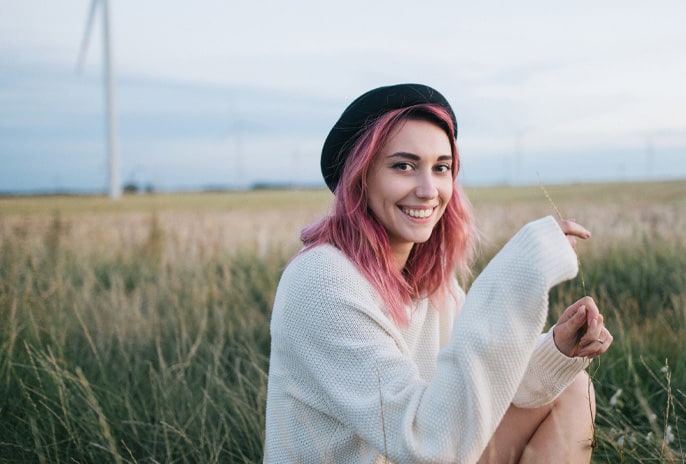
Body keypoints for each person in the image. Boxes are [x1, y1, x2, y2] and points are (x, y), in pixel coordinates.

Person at [263, 83, 613, 463]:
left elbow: (479, 393)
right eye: (403, 166)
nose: (429, 190)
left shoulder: (431, 283)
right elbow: (428, 444)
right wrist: (514, 279)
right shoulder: (322, 281)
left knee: (573, 387)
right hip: (424, 448)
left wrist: (557, 348)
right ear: (360, 177)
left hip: (431, 446)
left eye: (441, 168)